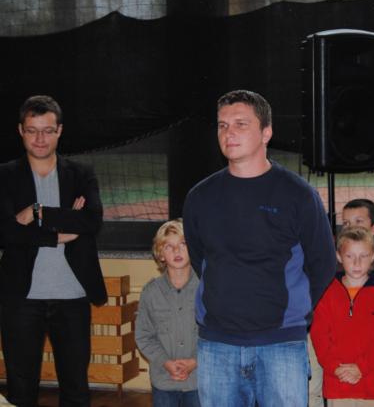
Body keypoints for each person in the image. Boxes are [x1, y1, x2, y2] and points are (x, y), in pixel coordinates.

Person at [182, 90, 336, 407]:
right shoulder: (200, 197)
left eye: (241, 124)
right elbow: (200, 258)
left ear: (266, 132)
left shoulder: (298, 194)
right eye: (222, 125)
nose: (229, 133)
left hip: (282, 345)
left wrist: (294, 312)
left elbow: (323, 263)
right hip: (217, 345)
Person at [0, 95, 106, 407]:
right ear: (21, 131)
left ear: (59, 130)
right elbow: (5, 231)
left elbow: (91, 220)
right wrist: (59, 235)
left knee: (76, 390)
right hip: (20, 299)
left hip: (73, 297)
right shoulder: (4, 175)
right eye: (32, 130)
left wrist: (37, 212)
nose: (40, 139)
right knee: (21, 391)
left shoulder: (81, 173)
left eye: (47, 130)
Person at [310, 227, 374, 407]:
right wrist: (336, 368)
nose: (357, 263)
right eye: (350, 256)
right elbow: (320, 338)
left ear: (373, 256)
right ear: (339, 256)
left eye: (363, 256)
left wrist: (361, 368)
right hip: (338, 385)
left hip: (373, 388)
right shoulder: (326, 293)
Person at [135, 219, 200, 407]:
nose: (177, 251)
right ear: (161, 254)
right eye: (169, 246)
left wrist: (195, 361)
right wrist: (165, 362)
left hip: (199, 380)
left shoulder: (207, 289)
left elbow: (216, 332)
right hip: (164, 381)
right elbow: (144, 336)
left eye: (183, 244)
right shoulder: (151, 292)